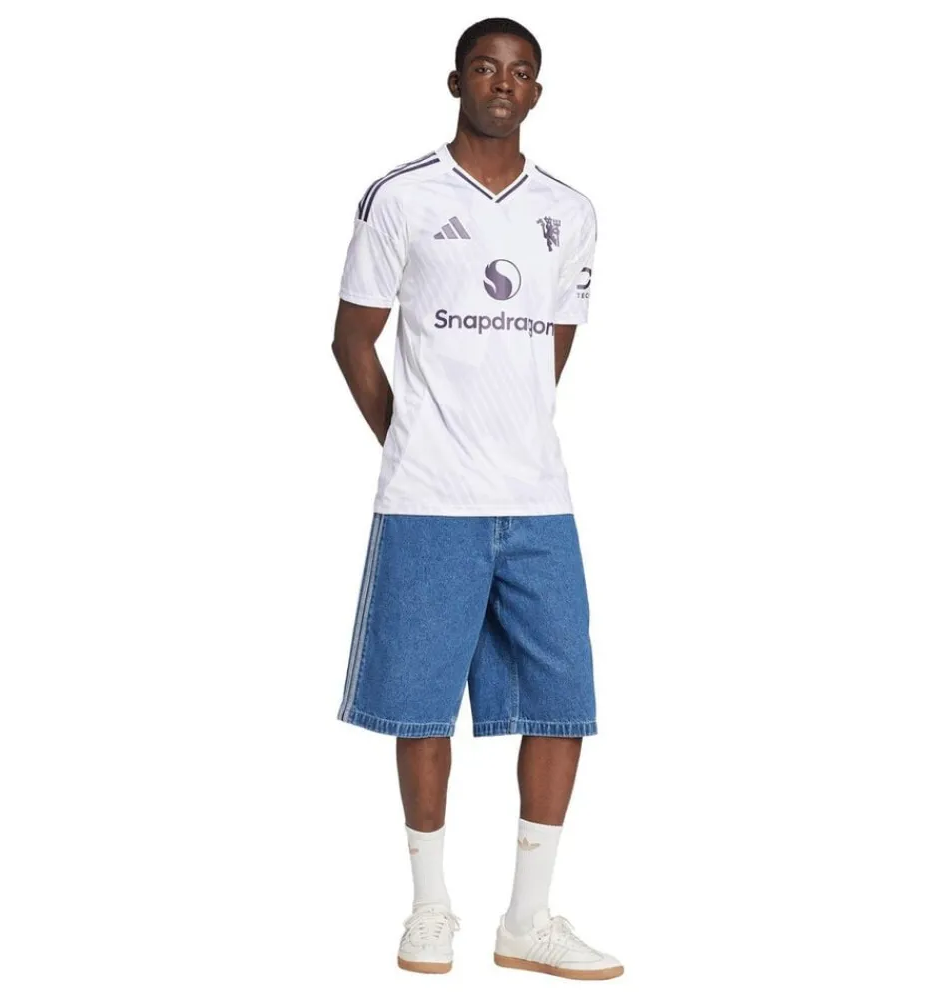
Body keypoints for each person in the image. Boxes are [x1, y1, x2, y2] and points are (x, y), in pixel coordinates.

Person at [331, 17, 622, 981]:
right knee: (421, 708)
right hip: (427, 503)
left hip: (538, 499)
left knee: (562, 703)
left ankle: (527, 921)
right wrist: (414, 440)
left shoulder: (570, 211)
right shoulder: (401, 197)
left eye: (522, 72)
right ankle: (429, 910)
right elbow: (352, 338)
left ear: (537, 91)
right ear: (456, 80)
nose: (504, 82)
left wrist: (507, 429)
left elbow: (552, 344)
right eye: (487, 68)